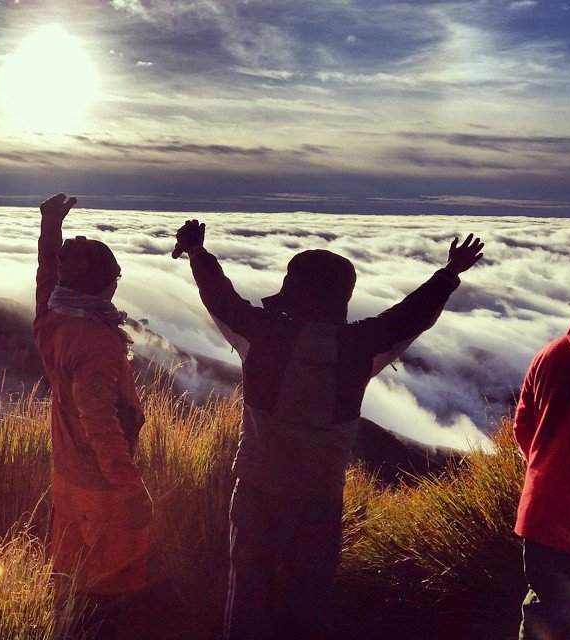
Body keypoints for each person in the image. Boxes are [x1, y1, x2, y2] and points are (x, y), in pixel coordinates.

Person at [172, 220, 484, 640]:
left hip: (259, 491)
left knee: (248, 595)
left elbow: (219, 298)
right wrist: (450, 272)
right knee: (310, 601)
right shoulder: (362, 346)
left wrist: (195, 251)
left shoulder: (262, 336)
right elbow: (411, 316)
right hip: (321, 496)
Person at [34, 193, 152, 639]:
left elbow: (47, 277)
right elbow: (99, 424)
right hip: (100, 482)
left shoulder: (52, 316)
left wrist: (50, 228)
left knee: (69, 569)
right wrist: (131, 488)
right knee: (114, 581)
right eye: (115, 275)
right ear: (106, 282)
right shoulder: (98, 343)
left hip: (64, 468)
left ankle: (64, 628)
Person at [514, 314, 570, 639]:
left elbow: (522, 427)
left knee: (547, 615)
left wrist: (550, 470)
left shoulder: (548, 355)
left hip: (545, 515)